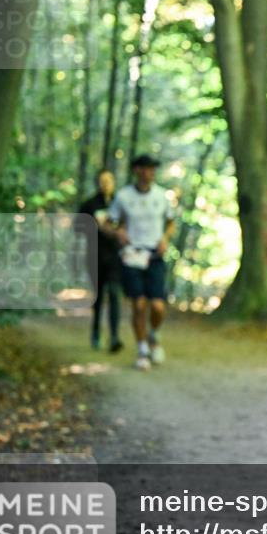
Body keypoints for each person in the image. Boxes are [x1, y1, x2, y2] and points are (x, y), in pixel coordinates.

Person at [106, 154, 176, 371]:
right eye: (146, 168)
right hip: (132, 255)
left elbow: (171, 222)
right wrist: (118, 232)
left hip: (154, 256)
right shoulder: (123, 196)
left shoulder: (161, 196)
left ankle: (154, 334)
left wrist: (165, 238)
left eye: (153, 169)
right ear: (137, 170)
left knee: (157, 305)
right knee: (139, 304)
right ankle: (142, 348)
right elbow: (108, 222)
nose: (150, 172)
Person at [76, 169, 124, 353]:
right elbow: (77, 229)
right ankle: (95, 333)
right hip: (94, 256)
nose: (106, 184)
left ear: (113, 182)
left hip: (115, 257)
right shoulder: (89, 205)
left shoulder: (120, 205)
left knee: (114, 293)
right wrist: (95, 227)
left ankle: (114, 337)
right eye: (102, 181)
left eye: (109, 180)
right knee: (98, 296)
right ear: (98, 182)